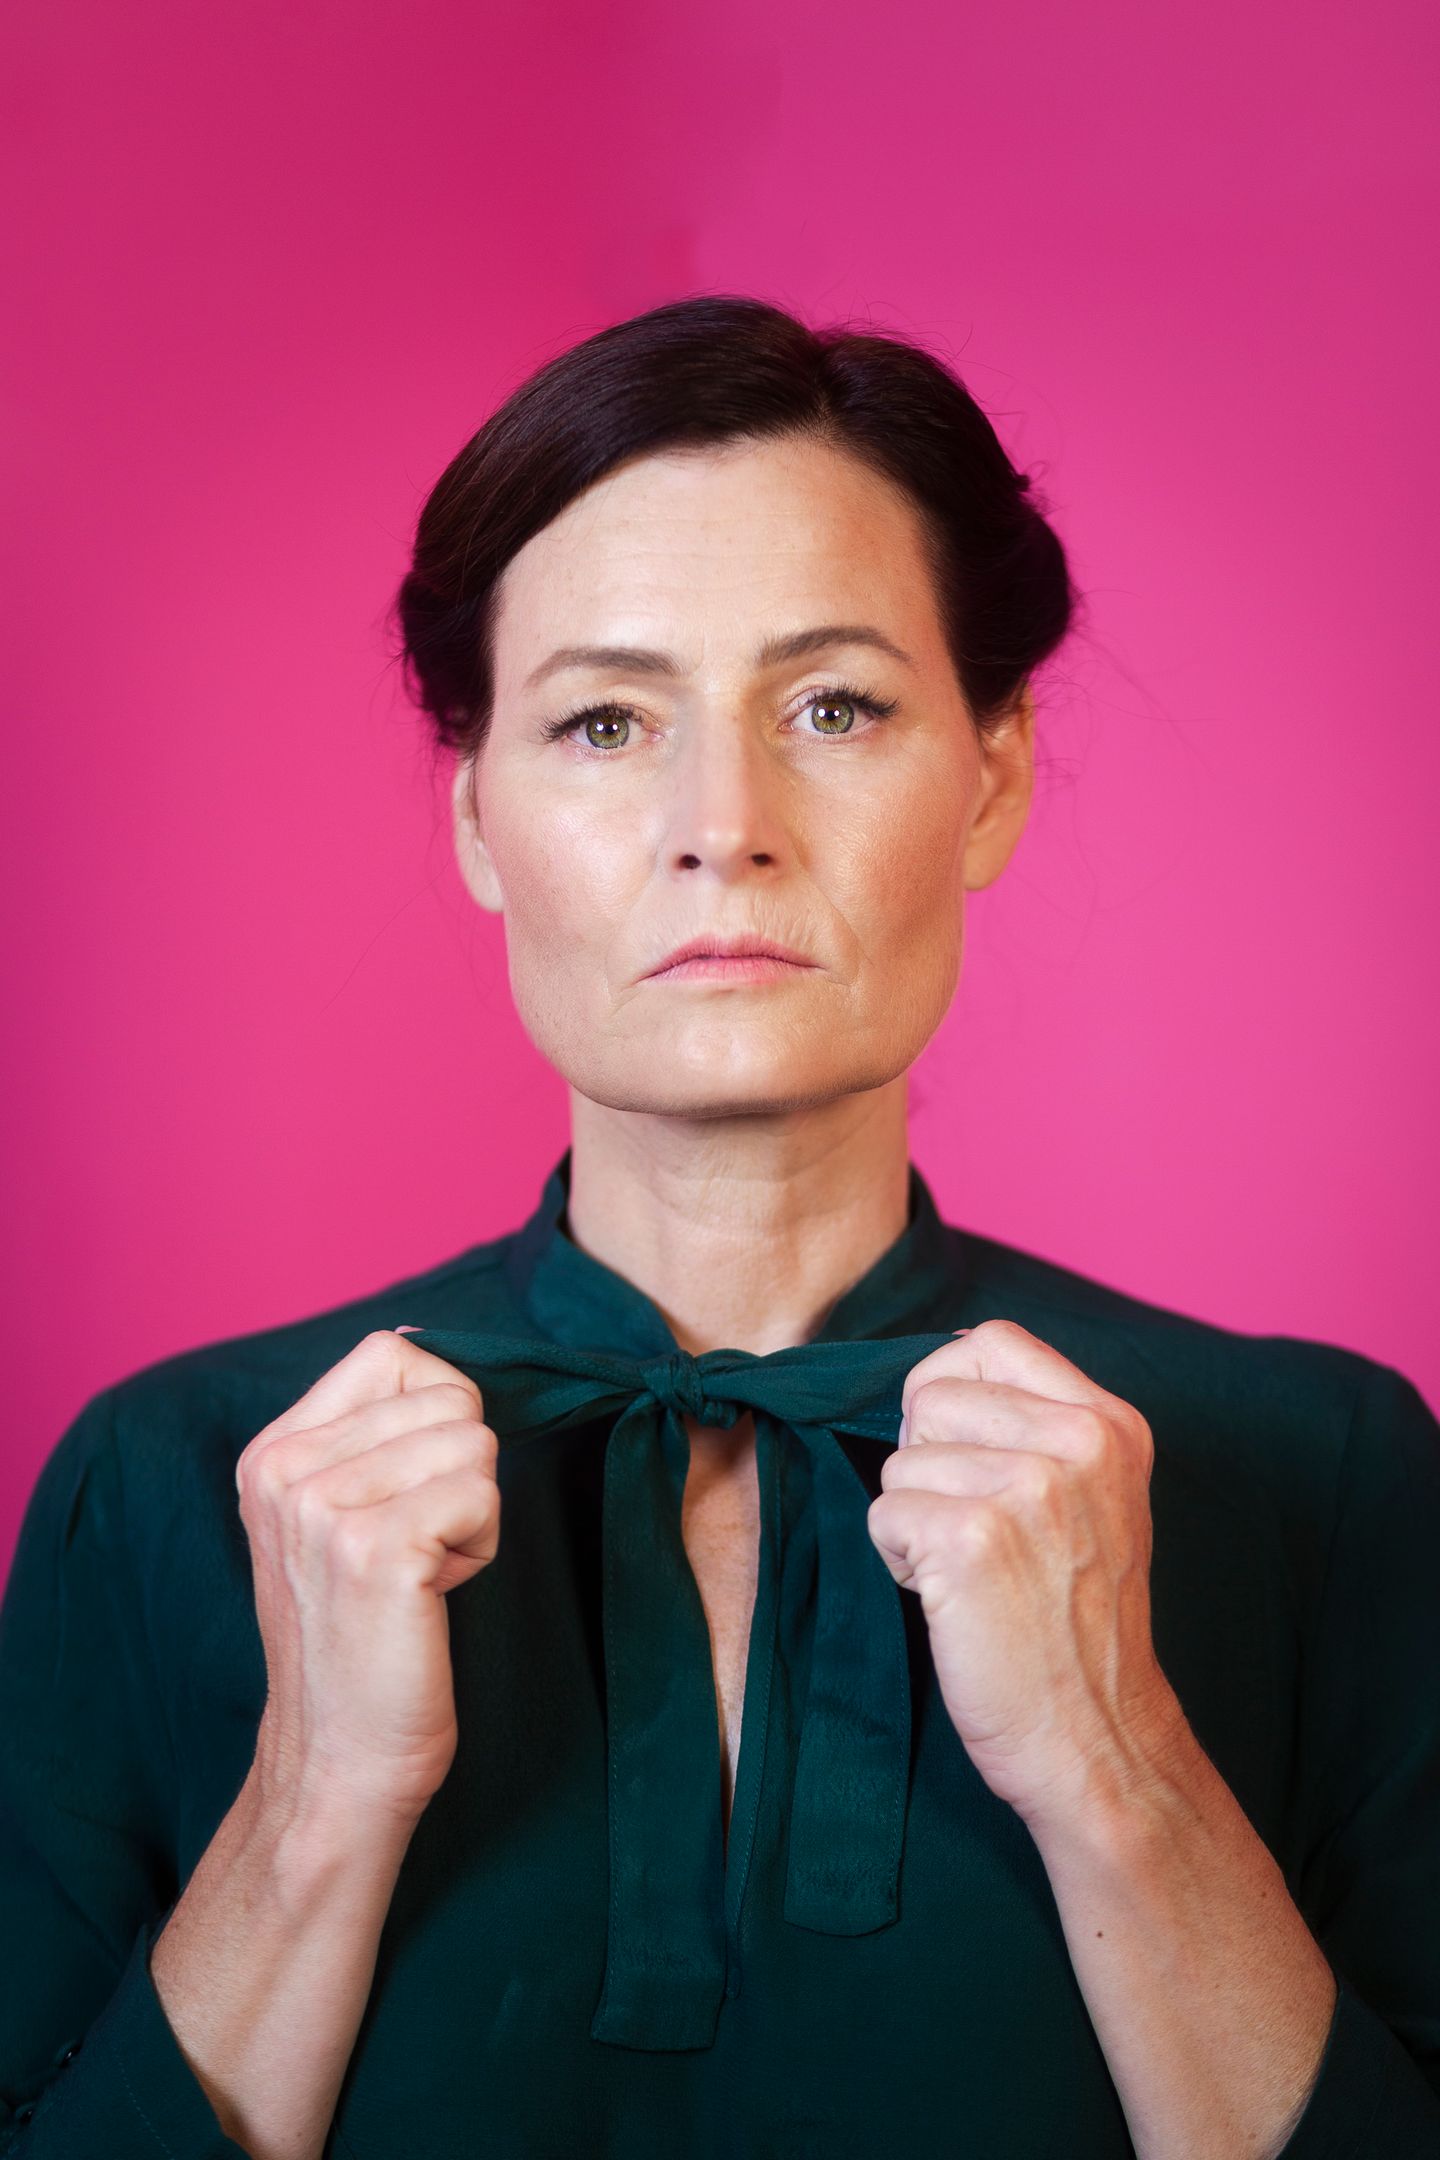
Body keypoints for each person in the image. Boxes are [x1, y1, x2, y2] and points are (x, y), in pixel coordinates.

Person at [1, 295, 1436, 2160]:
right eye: (604, 721)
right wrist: (312, 1802)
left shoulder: (1327, 1479)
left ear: (991, 775)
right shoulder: (169, 1484)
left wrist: (1121, 1767)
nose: (722, 824)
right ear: (478, 821)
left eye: (833, 706)